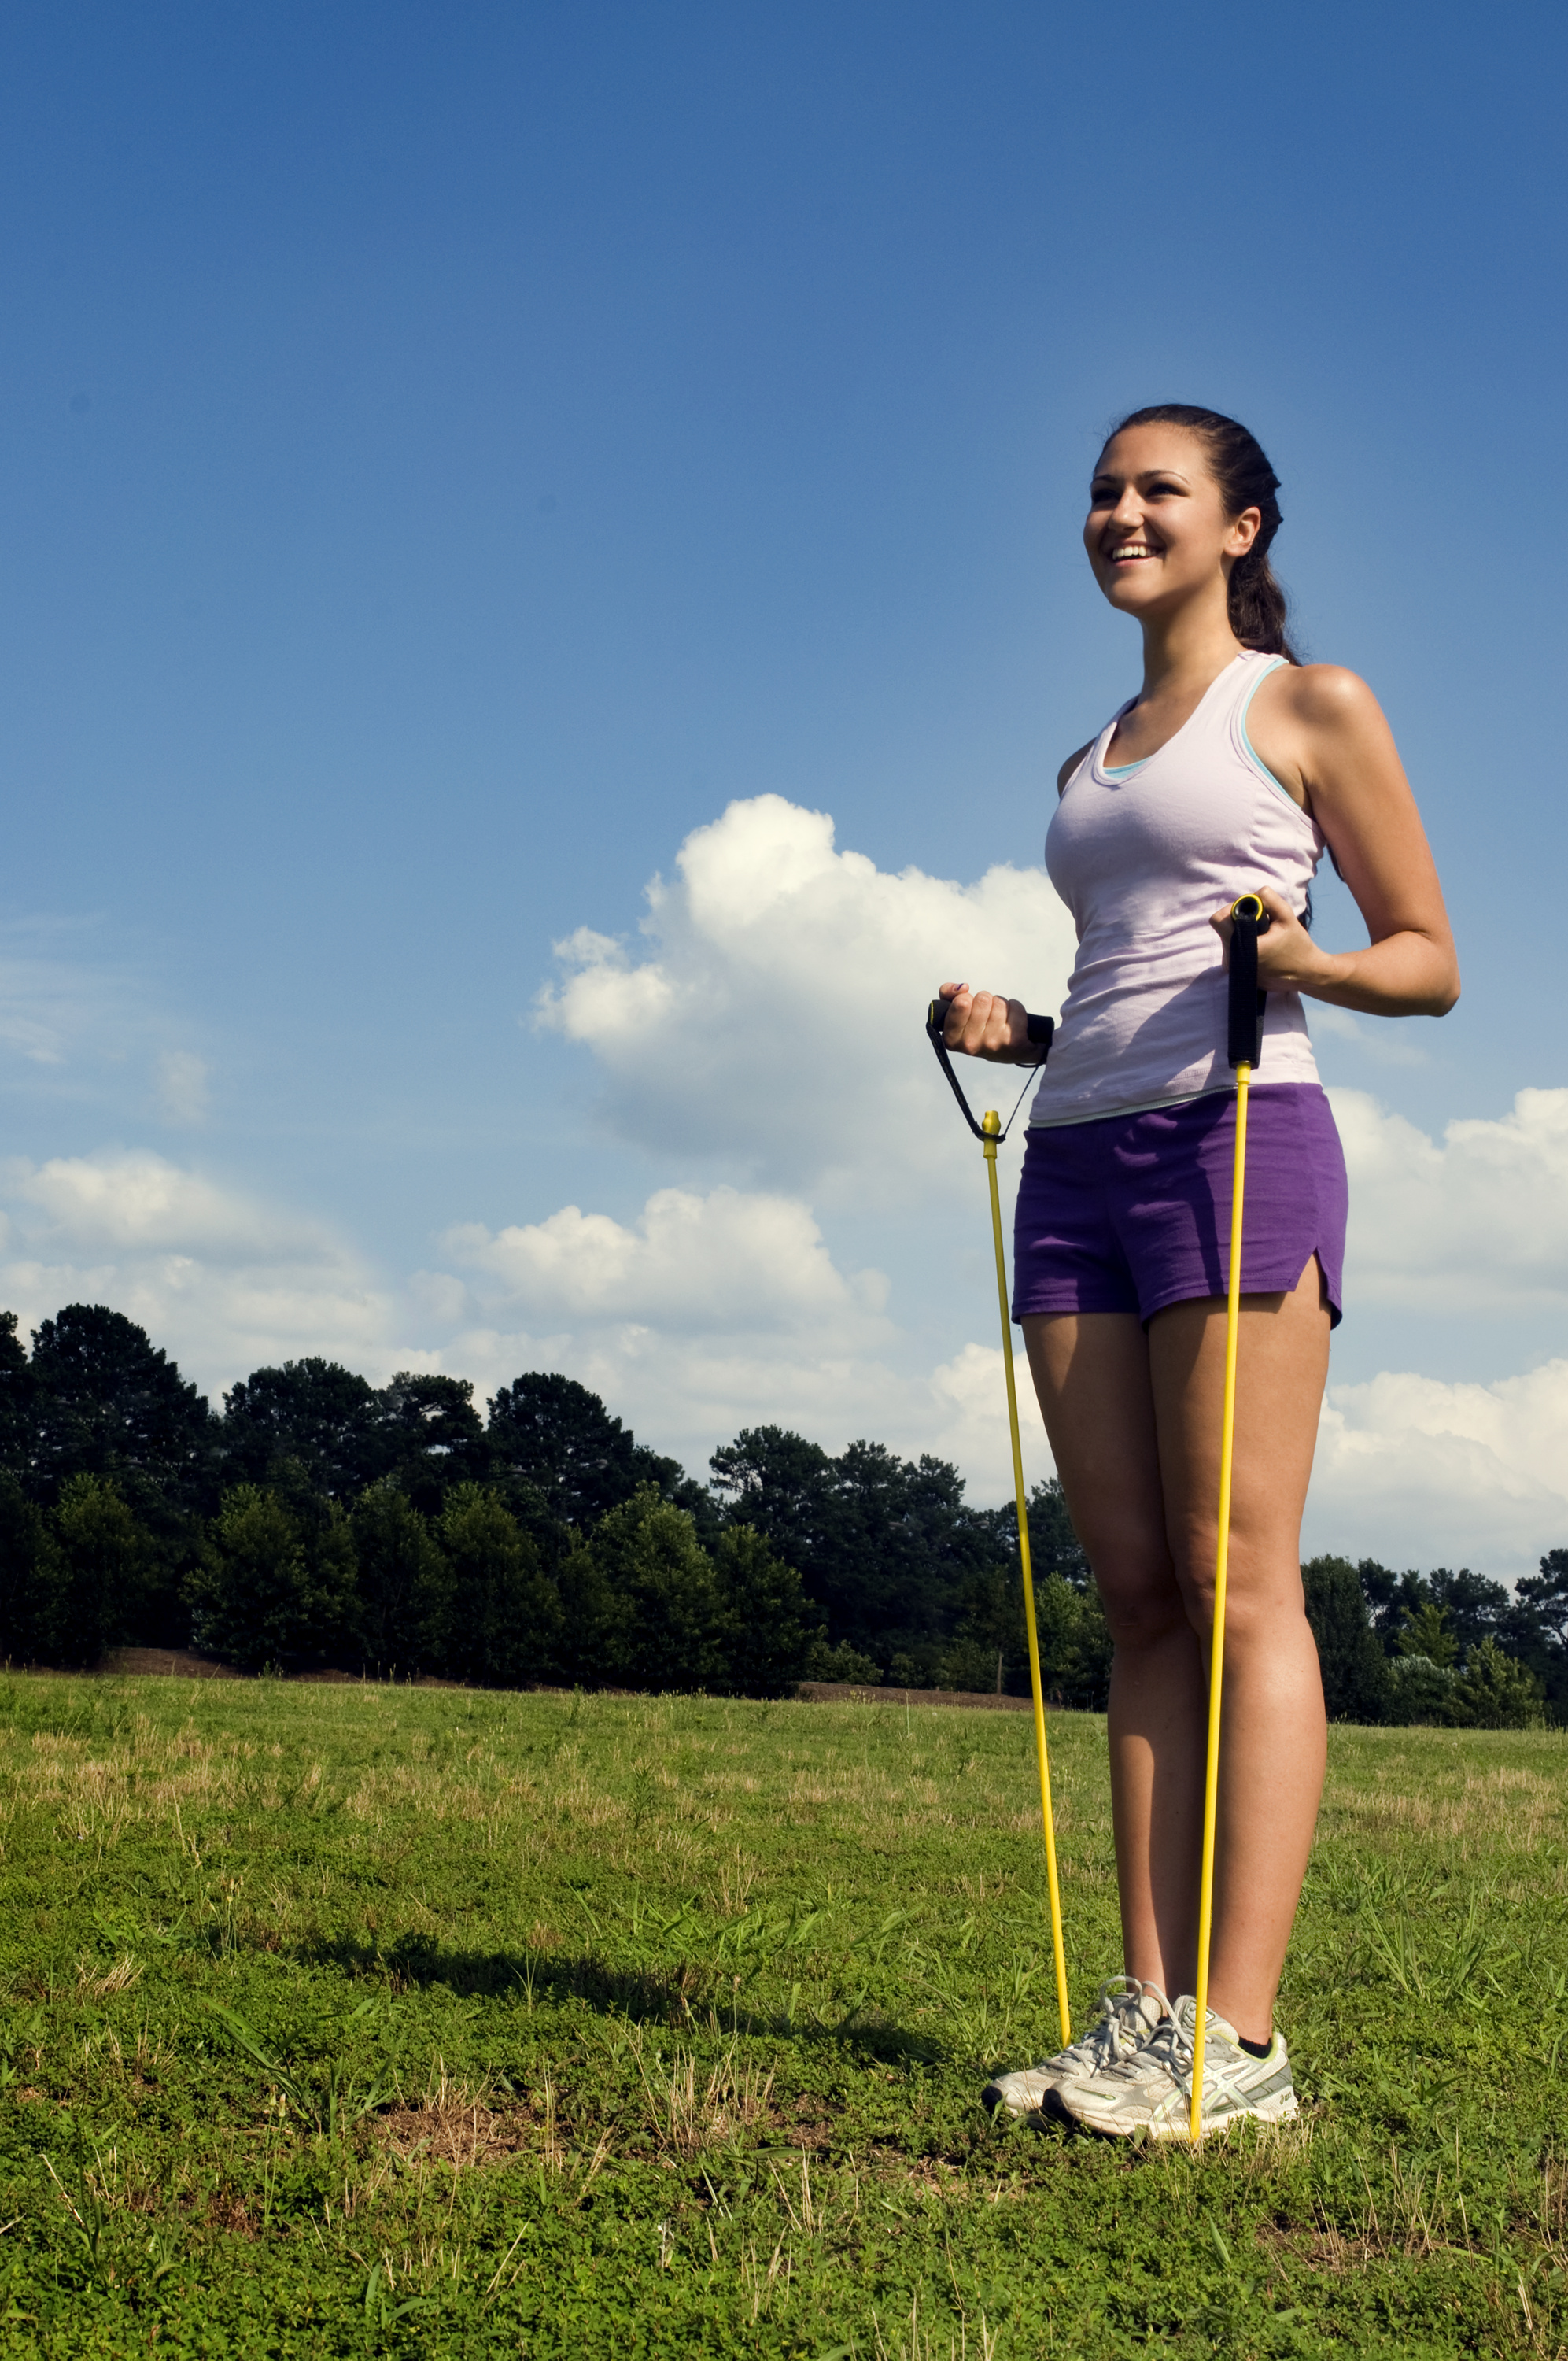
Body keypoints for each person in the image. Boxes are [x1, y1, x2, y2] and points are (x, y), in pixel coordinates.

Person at [939, 404, 1459, 2137]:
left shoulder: (1306, 705)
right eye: (1100, 489)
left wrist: (1306, 951)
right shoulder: (1084, 758)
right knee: (1141, 1601)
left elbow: (1428, 960)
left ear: (1241, 526)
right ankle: (1141, 2025)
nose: (1117, 513)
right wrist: (1023, 1028)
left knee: (1243, 1590)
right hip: (1079, 1159)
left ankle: (1238, 2047)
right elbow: (1130, 973)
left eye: (1157, 489)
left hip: (1242, 1142)